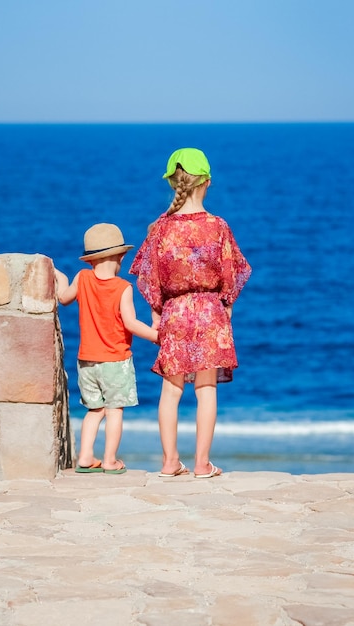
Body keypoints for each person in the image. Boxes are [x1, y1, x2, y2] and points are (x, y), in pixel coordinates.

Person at [130, 148, 251, 479]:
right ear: (207, 182)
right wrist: (226, 310)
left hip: (174, 311)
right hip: (210, 311)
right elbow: (232, 277)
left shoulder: (160, 228)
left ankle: (170, 462)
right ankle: (202, 464)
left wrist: (157, 313)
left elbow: (148, 277)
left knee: (171, 390)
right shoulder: (218, 226)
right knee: (206, 389)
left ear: (172, 182)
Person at [55, 223, 158, 475]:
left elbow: (64, 298)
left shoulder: (82, 277)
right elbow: (131, 323)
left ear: (91, 260)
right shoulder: (123, 288)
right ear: (121, 257)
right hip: (115, 360)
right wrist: (157, 335)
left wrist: (60, 278)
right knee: (114, 411)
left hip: (86, 361)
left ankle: (85, 457)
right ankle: (110, 460)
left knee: (94, 411)